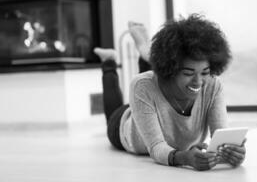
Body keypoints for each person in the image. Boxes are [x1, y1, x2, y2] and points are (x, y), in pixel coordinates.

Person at [94, 14, 246, 171]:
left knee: (151, 83)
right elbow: (156, 147)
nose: (198, 81)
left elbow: (221, 138)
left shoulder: (213, 86)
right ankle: (109, 62)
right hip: (125, 128)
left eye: (205, 72)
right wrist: (184, 158)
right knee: (119, 107)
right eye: (188, 73)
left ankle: (145, 51)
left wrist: (232, 152)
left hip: (153, 96)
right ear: (171, 69)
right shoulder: (142, 85)